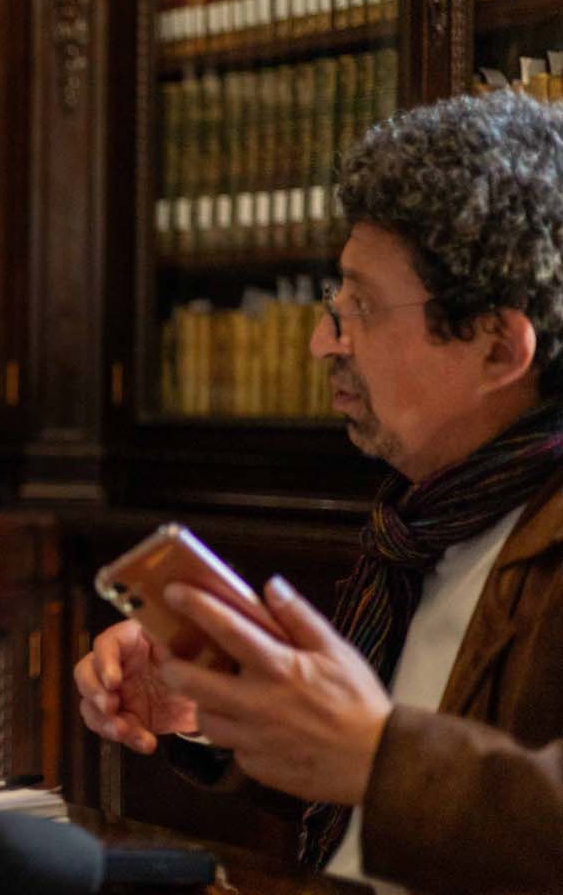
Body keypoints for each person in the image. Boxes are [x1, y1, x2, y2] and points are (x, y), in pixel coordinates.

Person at [76, 91, 563, 894]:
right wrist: (217, 711)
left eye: (360, 307)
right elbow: (374, 806)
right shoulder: (419, 523)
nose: (318, 342)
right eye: (334, 304)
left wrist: (374, 754)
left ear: (498, 348)